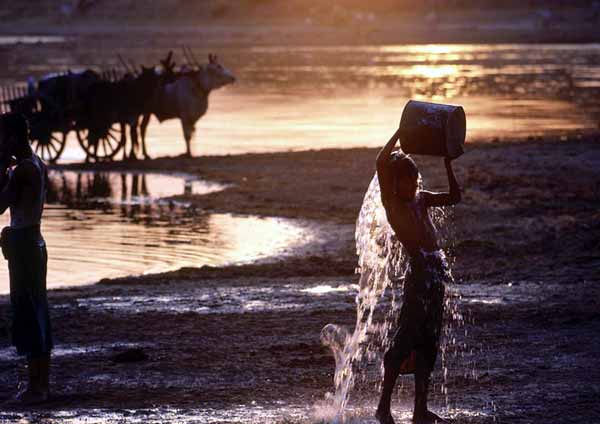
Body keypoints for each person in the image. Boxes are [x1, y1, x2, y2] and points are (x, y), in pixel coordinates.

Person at [375, 128, 461, 424]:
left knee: (429, 341)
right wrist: (401, 130)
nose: (411, 185)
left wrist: (448, 163)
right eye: (405, 181)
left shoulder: (422, 199)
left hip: (436, 275)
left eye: (414, 180)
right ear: (394, 183)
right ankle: (383, 407)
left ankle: (420, 410)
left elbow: (454, 197)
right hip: (419, 277)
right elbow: (380, 161)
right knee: (405, 339)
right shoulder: (394, 206)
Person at [0, 112, 52, 404]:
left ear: (12, 137)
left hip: (24, 243)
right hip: (33, 240)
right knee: (35, 308)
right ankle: (39, 383)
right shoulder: (37, 164)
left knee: (29, 310)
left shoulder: (22, 170)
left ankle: (37, 387)